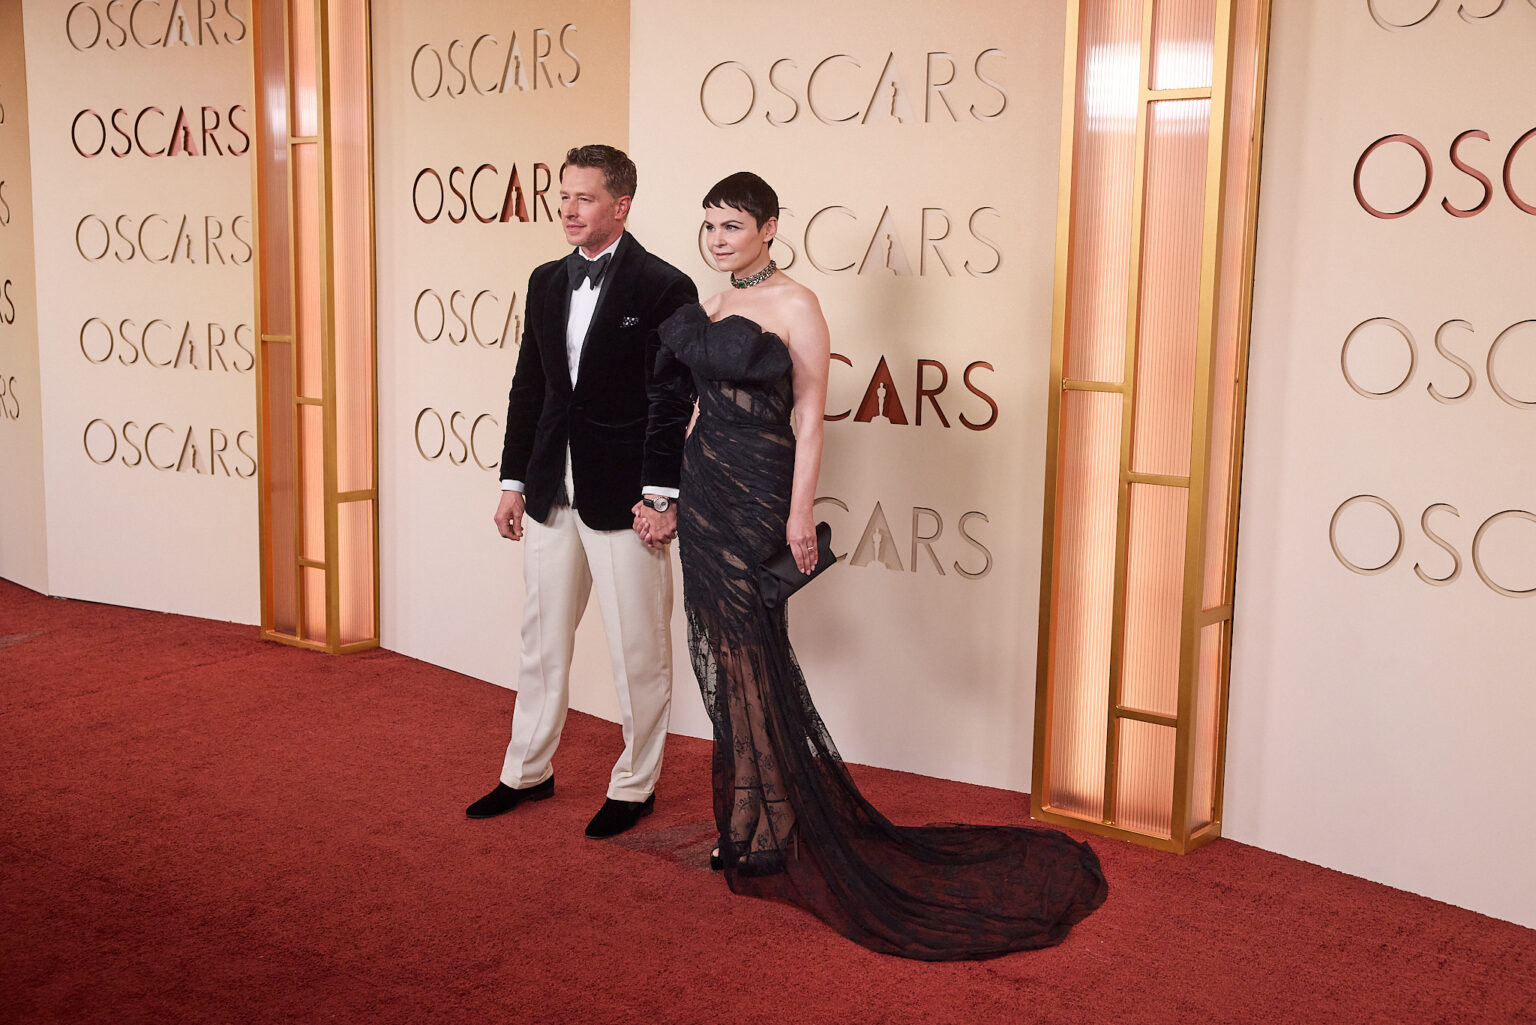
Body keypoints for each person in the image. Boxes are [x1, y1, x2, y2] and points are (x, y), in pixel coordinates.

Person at [646, 172, 1108, 960]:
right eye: (710, 226)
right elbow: (697, 406)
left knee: (754, 656)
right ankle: (747, 820)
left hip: (759, 493)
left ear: (770, 226)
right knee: (725, 656)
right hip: (706, 488)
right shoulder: (714, 306)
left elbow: (809, 413)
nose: (718, 239)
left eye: (732, 225)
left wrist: (798, 515)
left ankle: (776, 823)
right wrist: (675, 499)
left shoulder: (797, 305)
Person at [466, 145, 698, 840]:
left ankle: (635, 783)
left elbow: (671, 396)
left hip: (625, 497)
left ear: (621, 204)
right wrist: (513, 480)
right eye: (563, 196)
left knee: (638, 648)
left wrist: (660, 494)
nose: (568, 209)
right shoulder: (544, 280)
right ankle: (527, 770)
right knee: (542, 640)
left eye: (585, 197)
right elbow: (529, 387)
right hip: (548, 490)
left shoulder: (665, 286)